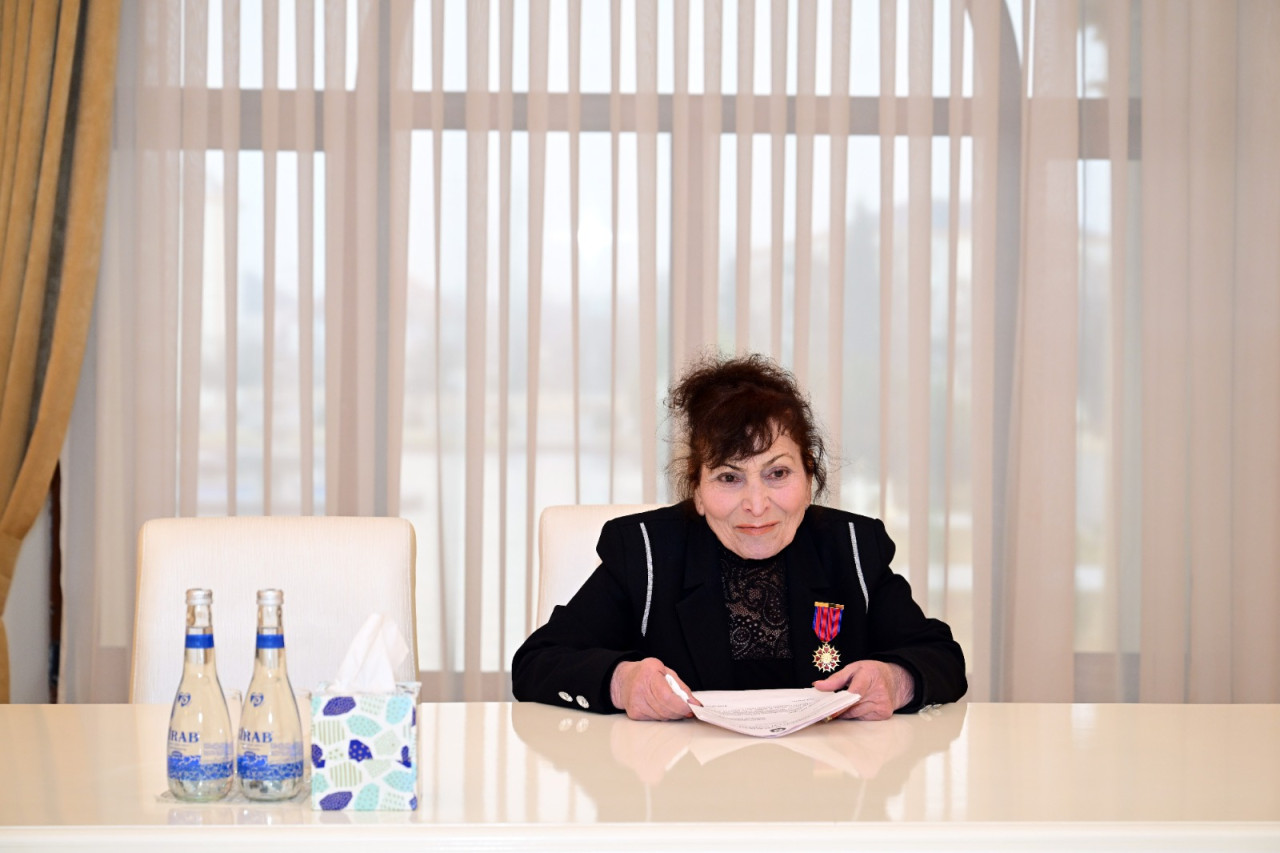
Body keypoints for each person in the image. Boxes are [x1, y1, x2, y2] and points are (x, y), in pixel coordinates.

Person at [512, 353, 967, 721]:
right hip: (686, 790)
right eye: (729, 478)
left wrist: (895, 680)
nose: (756, 504)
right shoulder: (646, 553)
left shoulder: (851, 548)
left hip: (823, 792)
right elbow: (538, 661)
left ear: (810, 476)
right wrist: (622, 681)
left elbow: (940, 656)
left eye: (777, 473)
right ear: (697, 490)